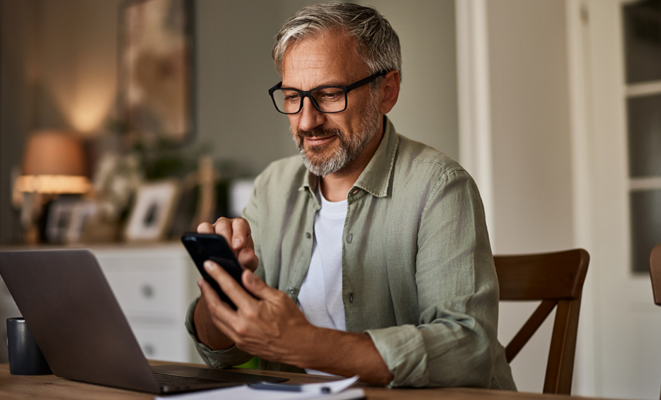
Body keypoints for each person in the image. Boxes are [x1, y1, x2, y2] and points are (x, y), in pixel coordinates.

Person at [185, 3, 516, 390]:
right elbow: (221, 352)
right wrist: (221, 292)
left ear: (387, 90)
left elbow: (467, 351)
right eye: (293, 97)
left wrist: (304, 344)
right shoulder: (272, 187)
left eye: (329, 94)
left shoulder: (440, 188)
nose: (307, 120)